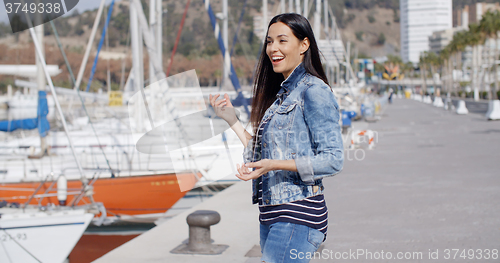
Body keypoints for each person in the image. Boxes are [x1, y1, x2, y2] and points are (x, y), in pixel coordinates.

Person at [209, 13, 343, 263]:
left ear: (304, 45)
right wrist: (232, 120)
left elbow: (333, 160)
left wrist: (274, 165)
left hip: (297, 214)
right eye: (269, 42)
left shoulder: (314, 91)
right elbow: (263, 155)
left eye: (282, 40)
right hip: (272, 213)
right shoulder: (281, 96)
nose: (273, 48)